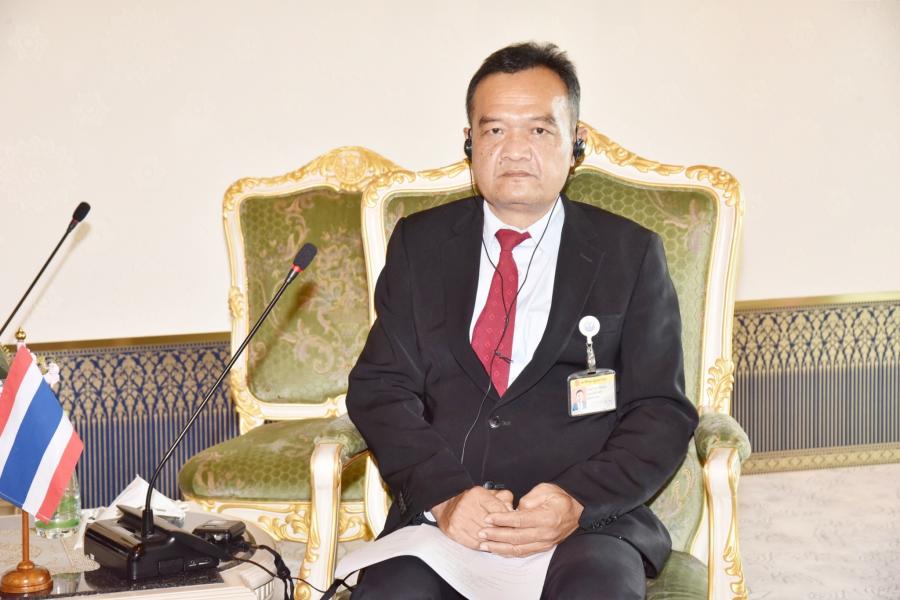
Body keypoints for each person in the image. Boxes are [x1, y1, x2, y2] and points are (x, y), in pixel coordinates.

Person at [346, 42, 698, 599]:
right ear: (469, 143)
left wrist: (576, 499)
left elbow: (660, 409)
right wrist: (446, 495)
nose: (515, 150)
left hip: (584, 526)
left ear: (576, 143)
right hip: (447, 520)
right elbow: (381, 389)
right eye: (494, 130)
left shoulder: (629, 254)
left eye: (538, 130)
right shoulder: (420, 245)